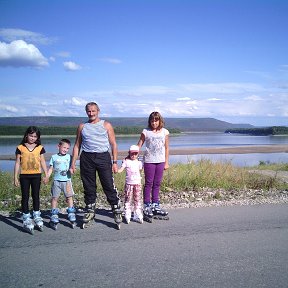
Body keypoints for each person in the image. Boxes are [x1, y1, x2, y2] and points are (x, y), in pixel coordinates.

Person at [70, 102, 122, 228]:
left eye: (93, 111)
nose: (91, 113)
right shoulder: (82, 126)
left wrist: (115, 162)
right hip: (87, 157)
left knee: (108, 184)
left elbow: (113, 144)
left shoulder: (106, 125)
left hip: (103, 157)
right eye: (89, 111)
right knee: (88, 186)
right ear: (86, 112)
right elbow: (77, 145)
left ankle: (116, 209)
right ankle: (90, 210)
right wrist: (73, 163)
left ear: (98, 111)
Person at [14, 126, 48, 233]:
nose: (32, 138)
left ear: (37, 137)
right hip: (24, 176)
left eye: (35, 136)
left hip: (36, 175)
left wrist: (46, 175)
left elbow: (42, 162)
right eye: (31, 135)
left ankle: (37, 215)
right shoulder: (20, 147)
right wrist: (15, 177)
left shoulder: (40, 147)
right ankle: (26, 217)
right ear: (26, 135)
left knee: (36, 195)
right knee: (25, 196)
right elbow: (17, 163)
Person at [137, 111, 169, 221]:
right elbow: (139, 144)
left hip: (160, 161)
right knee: (149, 183)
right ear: (149, 121)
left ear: (160, 121)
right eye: (152, 120)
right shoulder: (146, 132)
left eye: (156, 120)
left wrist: (166, 162)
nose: (154, 123)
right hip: (149, 161)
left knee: (157, 183)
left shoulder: (165, 132)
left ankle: (155, 204)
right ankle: (147, 205)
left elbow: (166, 148)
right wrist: (132, 156)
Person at [47, 138, 76, 228]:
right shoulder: (53, 157)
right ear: (58, 146)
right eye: (64, 147)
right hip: (56, 181)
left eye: (67, 148)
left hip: (67, 181)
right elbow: (51, 169)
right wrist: (47, 176)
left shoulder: (69, 157)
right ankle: (54, 214)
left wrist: (72, 170)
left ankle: (71, 213)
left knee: (69, 197)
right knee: (55, 197)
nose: (65, 150)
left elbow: (72, 167)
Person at [118, 145, 143, 224]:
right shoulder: (126, 161)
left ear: (138, 154)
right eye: (132, 153)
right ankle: (127, 212)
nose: (134, 155)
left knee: (137, 198)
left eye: (136, 154)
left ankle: (137, 212)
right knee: (128, 198)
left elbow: (141, 170)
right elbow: (121, 169)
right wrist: (116, 170)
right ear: (129, 153)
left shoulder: (139, 162)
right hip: (129, 184)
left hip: (137, 183)